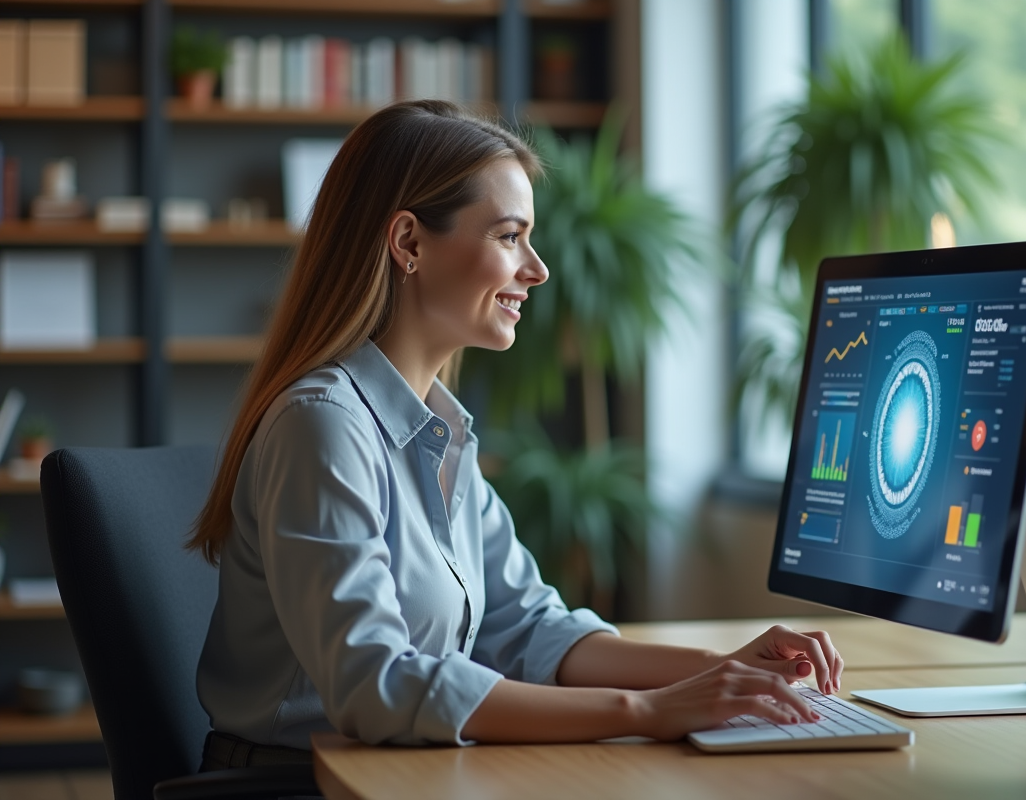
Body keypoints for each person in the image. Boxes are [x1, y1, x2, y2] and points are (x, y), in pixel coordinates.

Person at [187, 100, 844, 768]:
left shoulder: (438, 432)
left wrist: (720, 668)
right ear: (409, 243)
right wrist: (647, 711)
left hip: (402, 772)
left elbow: (529, 628)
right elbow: (376, 686)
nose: (538, 269)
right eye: (509, 237)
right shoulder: (322, 425)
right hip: (301, 782)